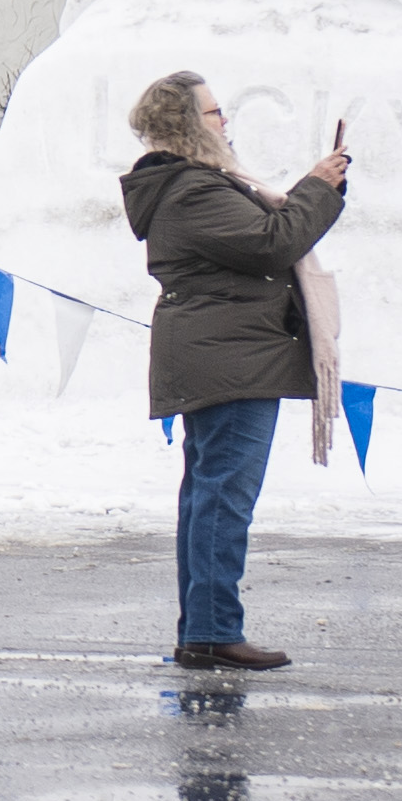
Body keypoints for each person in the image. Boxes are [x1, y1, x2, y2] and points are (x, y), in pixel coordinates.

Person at [120, 70, 346, 674]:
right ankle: (215, 631)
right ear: (189, 124)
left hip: (225, 351)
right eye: (216, 113)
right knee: (222, 499)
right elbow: (274, 242)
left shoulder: (191, 185)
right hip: (230, 357)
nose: (225, 123)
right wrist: (318, 187)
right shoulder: (192, 190)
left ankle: (205, 630)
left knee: (209, 496)